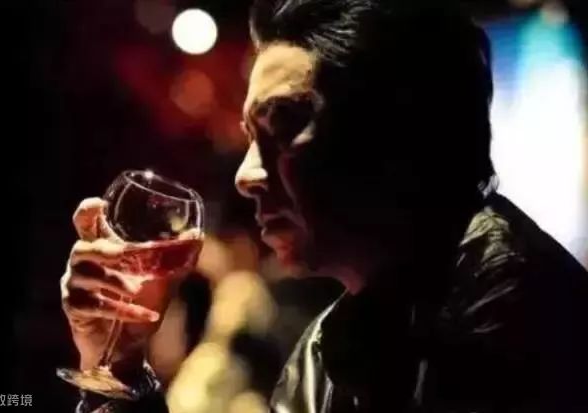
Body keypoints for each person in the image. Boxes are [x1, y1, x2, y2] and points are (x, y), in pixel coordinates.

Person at [60, 0, 588, 412]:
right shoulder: (336, 341)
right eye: (251, 136)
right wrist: (121, 366)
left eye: (286, 123)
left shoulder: (523, 324)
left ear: (402, 128)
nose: (246, 175)